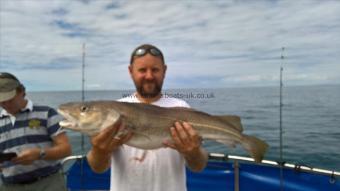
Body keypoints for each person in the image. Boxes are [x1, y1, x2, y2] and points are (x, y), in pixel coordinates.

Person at [87, 44, 208, 191]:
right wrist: (99, 151)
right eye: (142, 70)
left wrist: (193, 152)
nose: (149, 76)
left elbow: (198, 166)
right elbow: (98, 168)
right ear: (131, 72)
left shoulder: (182, 108)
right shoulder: (114, 112)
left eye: (155, 70)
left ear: (164, 71)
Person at [0, 72, 72, 191]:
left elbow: (66, 149)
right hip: (9, 187)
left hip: (48, 184)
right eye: (1, 101)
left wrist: (40, 154)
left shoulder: (47, 113)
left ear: (22, 91)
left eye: (10, 99)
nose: (6, 104)